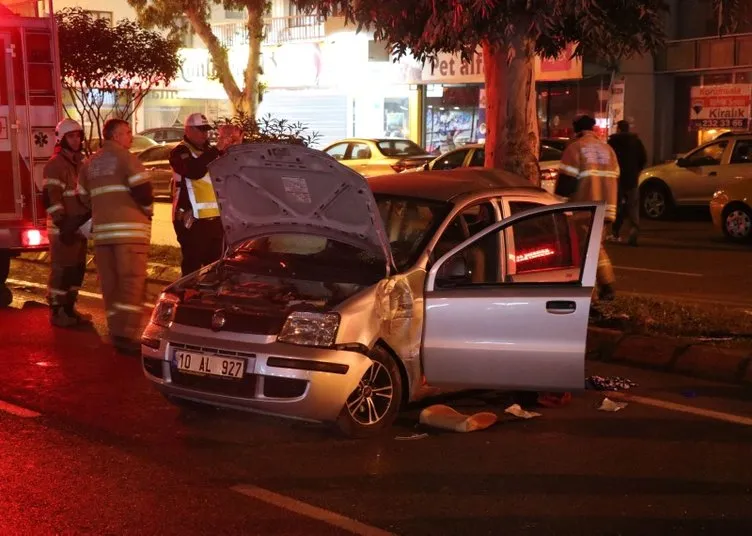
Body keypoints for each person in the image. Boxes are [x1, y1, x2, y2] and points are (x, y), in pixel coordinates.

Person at [77, 119, 153, 355]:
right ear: (117, 135)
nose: (130, 137)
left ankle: (115, 328)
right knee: (131, 283)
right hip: (130, 234)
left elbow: (82, 197)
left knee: (110, 285)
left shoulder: (90, 163)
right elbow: (144, 192)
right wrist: (148, 213)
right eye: (128, 132)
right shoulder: (127, 158)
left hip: (103, 236)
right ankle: (128, 333)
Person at [556, 115, 620, 301]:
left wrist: (557, 207)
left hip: (585, 207)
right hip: (607, 208)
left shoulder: (575, 149)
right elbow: (616, 178)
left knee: (588, 250)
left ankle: (605, 286)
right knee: (594, 247)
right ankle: (597, 292)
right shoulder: (608, 150)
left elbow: (565, 184)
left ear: (576, 130)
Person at [43, 119, 92, 327]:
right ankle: (57, 310)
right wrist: (63, 223)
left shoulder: (82, 162)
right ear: (61, 139)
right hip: (62, 228)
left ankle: (70, 308)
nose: (76, 140)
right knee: (62, 270)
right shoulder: (55, 165)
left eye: (78, 136)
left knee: (77, 269)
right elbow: (50, 197)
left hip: (80, 226)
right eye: (71, 136)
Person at [169, 113, 225, 277]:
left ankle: (207, 300)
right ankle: (187, 297)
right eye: (200, 130)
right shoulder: (179, 151)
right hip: (190, 220)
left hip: (214, 220)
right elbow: (194, 171)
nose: (204, 134)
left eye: (206, 130)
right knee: (192, 267)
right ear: (188, 129)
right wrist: (216, 150)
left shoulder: (209, 151)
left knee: (214, 269)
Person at [608, 120, 647, 246]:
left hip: (617, 178)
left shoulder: (612, 142)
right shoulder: (636, 142)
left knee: (618, 206)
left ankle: (615, 232)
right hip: (632, 178)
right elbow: (643, 159)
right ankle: (634, 229)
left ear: (618, 129)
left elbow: (609, 160)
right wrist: (636, 170)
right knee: (633, 205)